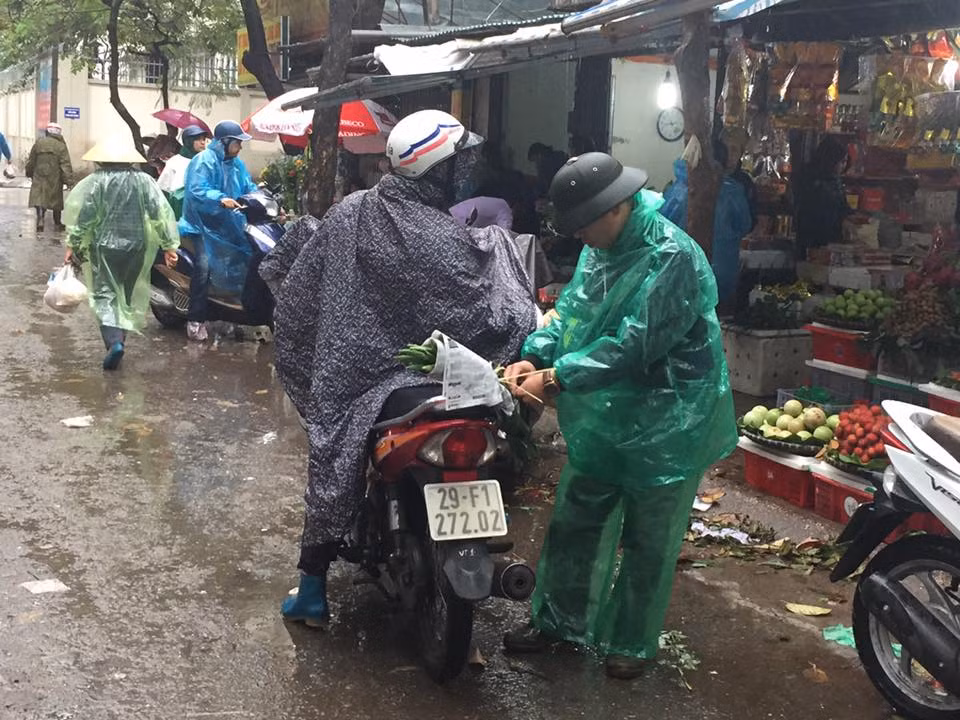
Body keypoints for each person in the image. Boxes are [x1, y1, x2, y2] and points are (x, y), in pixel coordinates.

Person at [261, 109, 538, 626]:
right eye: (460, 164)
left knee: (331, 457)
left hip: (359, 379)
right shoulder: (458, 240)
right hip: (440, 380)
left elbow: (299, 298)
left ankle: (313, 589)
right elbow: (504, 311)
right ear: (440, 171)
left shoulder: (351, 214)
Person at [501, 152, 737, 679]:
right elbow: (575, 314)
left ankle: (631, 640)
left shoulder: (672, 257)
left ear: (616, 208)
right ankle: (558, 622)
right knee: (575, 518)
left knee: (649, 536)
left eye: (585, 225)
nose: (580, 237)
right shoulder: (601, 250)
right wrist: (536, 353)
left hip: (670, 416)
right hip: (610, 411)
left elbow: (635, 344)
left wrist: (557, 377)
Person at [62, 138, 180, 370]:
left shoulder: (96, 183)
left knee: (105, 295)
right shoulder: (145, 182)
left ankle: (114, 343)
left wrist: (73, 246)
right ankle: (120, 342)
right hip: (136, 247)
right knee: (124, 295)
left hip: (103, 249)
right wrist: (168, 246)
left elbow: (84, 219)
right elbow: (160, 213)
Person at [179, 120, 257, 342]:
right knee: (204, 268)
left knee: (241, 263)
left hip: (228, 226)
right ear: (226, 142)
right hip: (202, 227)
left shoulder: (237, 164)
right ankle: (195, 319)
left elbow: (248, 186)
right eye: (237, 143)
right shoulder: (203, 161)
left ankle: (230, 315)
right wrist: (220, 199)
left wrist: (262, 197)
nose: (240, 147)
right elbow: (197, 190)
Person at [661, 139, 752, 311]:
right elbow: (745, 225)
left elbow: (661, 229)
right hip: (721, 277)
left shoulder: (675, 191)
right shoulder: (732, 192)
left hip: (678, 277)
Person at [794, 136, 852, 260]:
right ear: (831, 160)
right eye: (842, 161)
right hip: (812, 240)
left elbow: (842, 206)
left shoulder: (836, 181)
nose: (844, 166)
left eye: (845, 162)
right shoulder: (810, 180)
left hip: (832, 241)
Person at [26, 123, 73, 232]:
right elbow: (65, 165)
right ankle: (57, 222)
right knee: (56, 199)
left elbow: (31, 161)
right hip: (55, 177)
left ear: (47, 132)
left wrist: (29, 172)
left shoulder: (39, 143)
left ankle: (40, 219)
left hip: (39, 175)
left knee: (39, 197)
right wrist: (69, 181)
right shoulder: (61, 146)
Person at [157, 125, 211, 218]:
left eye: (203, 139)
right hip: (179, 210)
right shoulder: (175, 162)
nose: (203, 143)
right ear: (189, 141)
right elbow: (163, 189)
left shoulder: (207, 161)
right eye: (198, 139)